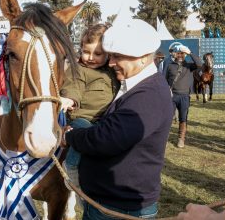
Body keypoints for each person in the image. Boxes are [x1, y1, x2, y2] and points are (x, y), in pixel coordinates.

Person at [61, 15, 173, 219]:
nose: (110, 63)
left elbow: (106, 139)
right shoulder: (133, 86)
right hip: (107, 204)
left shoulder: (149, 95)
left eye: (117, 56)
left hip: (119, 210)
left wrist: (70, 136)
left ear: (143, 56)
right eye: (110, 56)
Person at [60, 24, 120, 187]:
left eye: (98, 53)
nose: (91, 57)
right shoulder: (79, 70)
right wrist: (70, 99)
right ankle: (71, 166)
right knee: (84, 134)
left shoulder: (112, 70)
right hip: (81, 118)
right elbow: (74, 86)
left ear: (108, 53)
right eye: (86, 52)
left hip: (103, 120)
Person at [165, 43, 202, 148]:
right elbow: (164, 80)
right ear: (175, 55)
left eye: (182, 54)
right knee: (168, 118)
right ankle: (164, 137)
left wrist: (190, 53)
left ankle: (181, 139)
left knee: (183, 118)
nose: (180, 55)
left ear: (185, 55)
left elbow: (200, 64)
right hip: (172, 96)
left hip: (185, 96)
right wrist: (167, 90)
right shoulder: (169, 66)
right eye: (178, 53)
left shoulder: (189, 65)